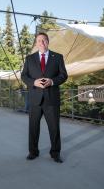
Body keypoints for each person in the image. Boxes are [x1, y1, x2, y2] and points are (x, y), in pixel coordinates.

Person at [21, 32, 68, 163]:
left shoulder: (58, 57)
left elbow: (64, 75)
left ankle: (55, 153)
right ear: (36, 43)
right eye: (39, 40)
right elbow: (24, 76)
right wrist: (33, 82)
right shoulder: (29, 59)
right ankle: (33, 152)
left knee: (54, 128)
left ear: (48, 42)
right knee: (33, 127)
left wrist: (52, 81)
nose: (41, 42)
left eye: (44, 40)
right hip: (35, 99)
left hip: (51, 99)